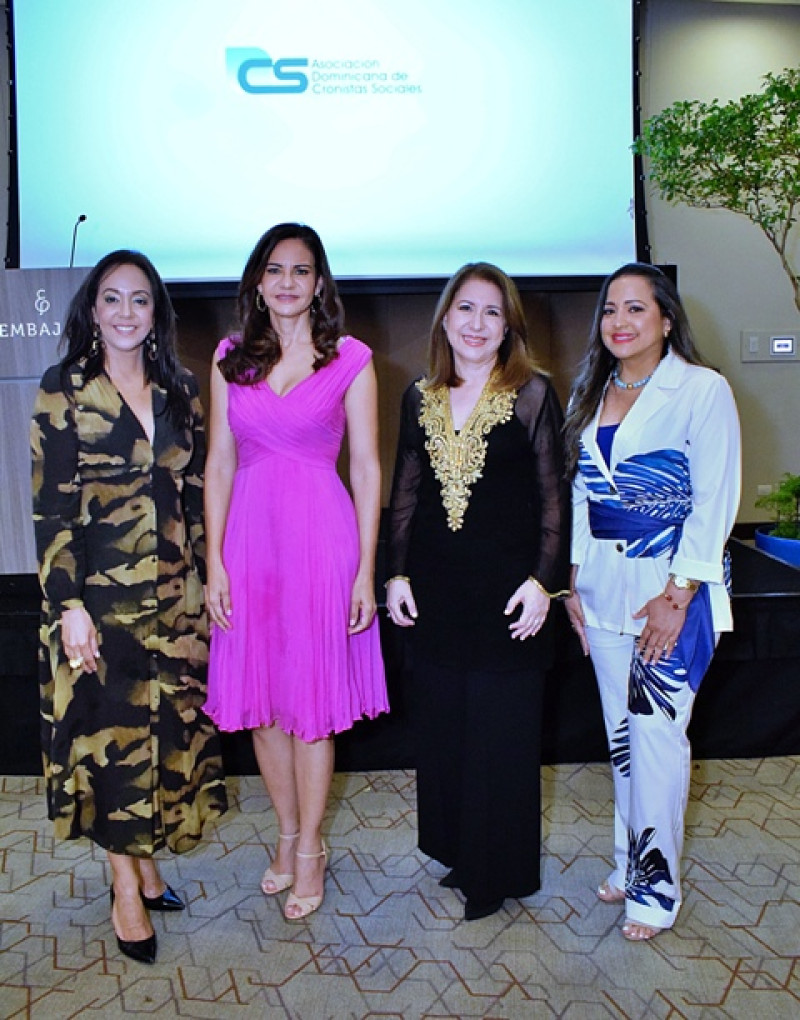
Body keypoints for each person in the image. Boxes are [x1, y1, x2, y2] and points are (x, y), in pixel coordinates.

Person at [30, 250, 228, 965]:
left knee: (165, 739)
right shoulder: (63, 390)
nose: (123, 312)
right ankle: (123, 889)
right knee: (109, 751)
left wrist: (211, 582)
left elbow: (199, 497)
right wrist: (68, 605)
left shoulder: (180, 393)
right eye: (110, 298)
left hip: (175, 604)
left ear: (156, 314)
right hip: (99, 610)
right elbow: (50, 511)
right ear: (91, 309)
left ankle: (145, 864)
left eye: (138, 300)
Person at [204, 223, 387, 921]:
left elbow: (366, 468)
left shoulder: (352, 359)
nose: (286, 282)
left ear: (319, 283)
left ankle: (310, 847)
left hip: (322, 540)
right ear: (257, 280)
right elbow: (219, 464)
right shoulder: (228, 358)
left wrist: (366, 571)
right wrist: (214, 560)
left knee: (310, 707)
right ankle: (284, 832)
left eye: (301, 270)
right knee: (260, 701)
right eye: (274, 269)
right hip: (249, 542)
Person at [385, 262, 570, 922]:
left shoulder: (533, 394)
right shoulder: (418, 396)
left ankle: (499, 871)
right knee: (447, 730)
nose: (477, 323)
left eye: (493, 312)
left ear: (508, 328)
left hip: (509, 596)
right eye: (466, 309)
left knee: (502, 734)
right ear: (444, 318)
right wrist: (396, 574)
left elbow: (553, 498)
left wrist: (545, 584)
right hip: (437, 594)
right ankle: (463, 851)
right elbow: (405, 492)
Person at [563, 263, 741, 942]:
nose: (620, 322)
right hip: (604, 591)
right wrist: (575, 582)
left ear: (666, 319)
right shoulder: (594, 388)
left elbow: (716, 496)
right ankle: (628, 860)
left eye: (637, 309)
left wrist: (680, 592)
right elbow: (585, 493)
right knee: (624, 739)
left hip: (670, 592)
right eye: (611, 309)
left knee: (658, 740)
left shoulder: (701, 388)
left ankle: (655, 891)